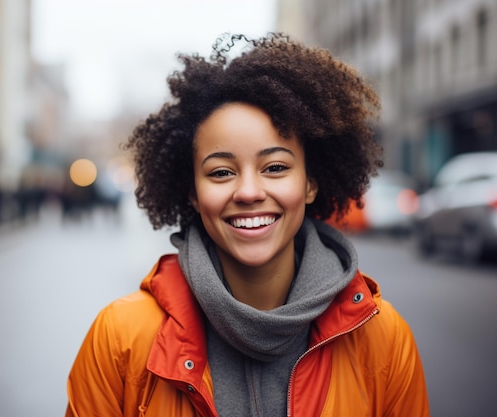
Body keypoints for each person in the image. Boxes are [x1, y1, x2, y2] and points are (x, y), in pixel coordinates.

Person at [65, 33, 429, 417]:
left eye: (275, 167)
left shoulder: (383, 336)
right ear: (193, 192)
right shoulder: (120, 336)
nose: (249, 191)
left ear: (310, 183)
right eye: (221, 172)